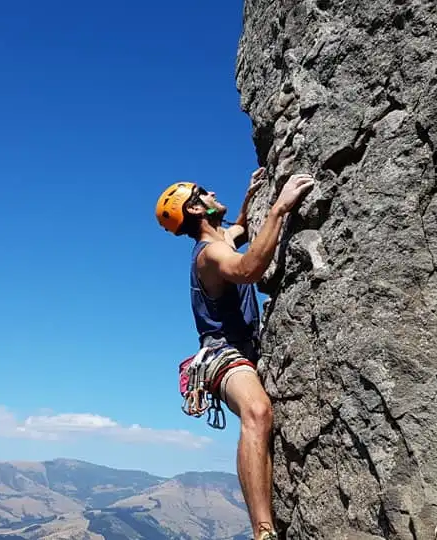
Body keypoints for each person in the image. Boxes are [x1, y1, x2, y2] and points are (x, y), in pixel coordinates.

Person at [155, 168, 315, 540]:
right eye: (202, 193)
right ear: (195, 210)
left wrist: (249, 197)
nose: (211, 191)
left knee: (259, 414)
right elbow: (248, 269)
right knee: (257, 411)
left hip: (239, 349)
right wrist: (278, 210)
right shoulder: (210, 254)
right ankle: (263, 531)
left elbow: (240, 227)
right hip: (222, 353)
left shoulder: (222, 238)